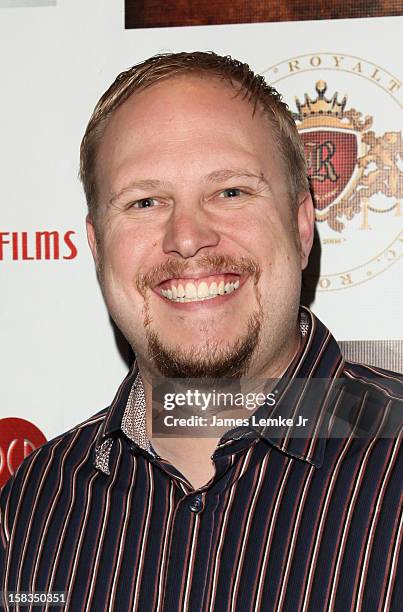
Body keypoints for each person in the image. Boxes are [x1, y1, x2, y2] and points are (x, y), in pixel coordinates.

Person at [0, 51, 401, 611]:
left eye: (231, 192)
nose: (186, 237)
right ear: (96, 248)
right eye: (145, 202)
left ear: (302, 224)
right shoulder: (34, 504)